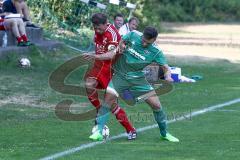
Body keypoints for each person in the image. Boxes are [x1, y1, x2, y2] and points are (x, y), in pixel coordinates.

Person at [89, 26, 179, 142]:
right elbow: (122, 41)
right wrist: (121, 45)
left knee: (156, 105)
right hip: (120, 76)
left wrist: (168, 76)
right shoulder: (133, 35)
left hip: (138, 80)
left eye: (148, 42)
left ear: (154, 40)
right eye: (143, 40)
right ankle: (98, 133)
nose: (144, 43)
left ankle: (164, 134)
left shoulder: (156, 52)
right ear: (142, 35)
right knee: (107, 101)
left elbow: (166, 67)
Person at [83, 13, 136, 141]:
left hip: (113, 69)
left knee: (111, 105)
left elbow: (111, 54)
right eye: (95, 28)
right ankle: (99, 112)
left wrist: (94, 56)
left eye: (99, 28)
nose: (97, 30)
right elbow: (99, 49)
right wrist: (94, 55)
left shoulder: (111, 34)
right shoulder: (98, 31)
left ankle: (131, 130)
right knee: (89, 84)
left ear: (105, 23)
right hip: (100, 66)